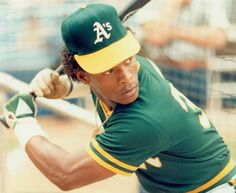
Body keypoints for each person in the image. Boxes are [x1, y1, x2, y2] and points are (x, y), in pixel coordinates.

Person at [2, 3, 236, 193]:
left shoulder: (143, 122)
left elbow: (65, 173)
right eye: (108, 69)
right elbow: (97, 82)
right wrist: (64, 88)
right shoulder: (137, 68)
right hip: (168, 182)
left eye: (128, 59)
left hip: (210, 188)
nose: (126, 77)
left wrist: (22, 121)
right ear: (83, 76)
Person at [130, 0, 230, 108]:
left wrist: (172, 32)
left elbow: (219, 38)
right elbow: (157, 37)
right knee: (163, 119)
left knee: (196, 122)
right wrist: (176, 3)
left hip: (197, 73)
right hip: (163, 72)